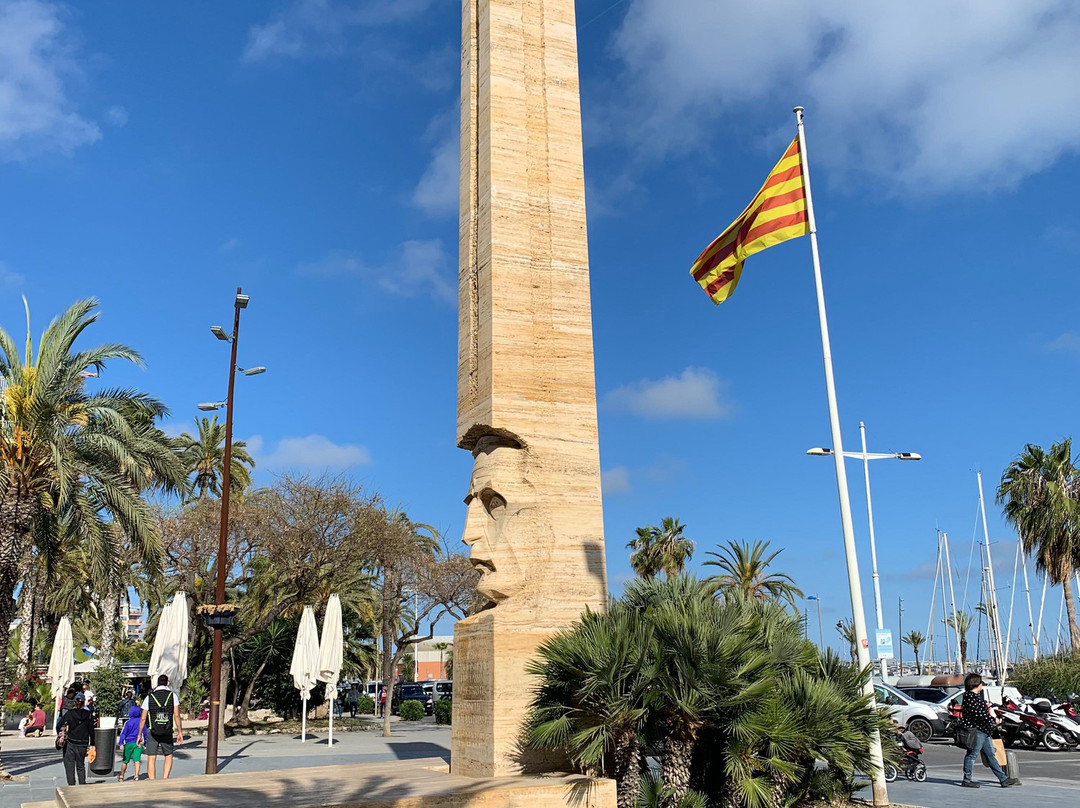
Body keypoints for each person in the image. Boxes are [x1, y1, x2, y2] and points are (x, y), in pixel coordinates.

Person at [959, 673, 1020, 788]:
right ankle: (967, 779)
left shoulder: (970, 696)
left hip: (983, 731)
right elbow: (979, 715)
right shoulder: (971, 698)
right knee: (972, 754)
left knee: (991, 755)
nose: (982, 685)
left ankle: (1003, 779)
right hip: (977, 731)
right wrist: (993, 720)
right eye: (981, 683)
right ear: (976, 684)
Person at [138, 674, 184, 780]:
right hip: (167, 730)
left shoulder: (149, 697)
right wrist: (180, 732)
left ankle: (152, 780)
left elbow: (143, 718)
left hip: (152, 730)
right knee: (168, 754)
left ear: (157, 683)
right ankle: (165, 778)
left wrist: (139, 734)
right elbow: (176, 715)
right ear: (167, 683)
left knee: (151, 756)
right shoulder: (173, 696)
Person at [57, 693, 94, 786]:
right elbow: (91, 730)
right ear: (83, 702)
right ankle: (82, 784)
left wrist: (62, 732)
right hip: (83, 743)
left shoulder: (69, 713)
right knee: (80, 765)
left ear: (74, 702)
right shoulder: (88, 714)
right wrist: (93, 743)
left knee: (69, 765)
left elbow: (58, 725)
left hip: (70, 742)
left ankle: (71, 785)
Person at [116, 703, 146, 782]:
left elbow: (123, 733)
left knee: (125, 760)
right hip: (138, 743)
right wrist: (145, 743)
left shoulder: (128, 722)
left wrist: (121, 743)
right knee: (137, 760)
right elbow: (145, 733)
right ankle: (136, 776)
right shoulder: (141, 722)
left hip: (129, 743)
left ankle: (122, 776)